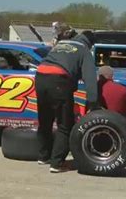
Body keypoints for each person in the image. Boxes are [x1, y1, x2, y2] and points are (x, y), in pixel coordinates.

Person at [35, 30, 100, 173]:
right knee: (65, 124)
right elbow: (90, 78)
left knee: (45, 120)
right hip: (59, 80)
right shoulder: (84, 50)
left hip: (40, 76)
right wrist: (93, 103)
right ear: (90, 43)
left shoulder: (61, 44)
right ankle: (57, 163)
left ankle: (43, 156)